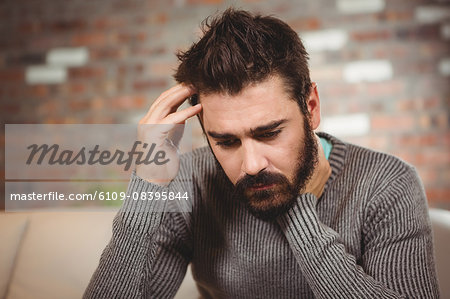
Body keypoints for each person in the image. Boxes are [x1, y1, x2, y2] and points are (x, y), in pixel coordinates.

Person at [84, 9, 439, 298]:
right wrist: (146, 186)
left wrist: (298, 209)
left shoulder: (388, 184)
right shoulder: (193, 184)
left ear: (311, 106)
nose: (252, 165)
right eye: (226, 142)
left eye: (269, 133)